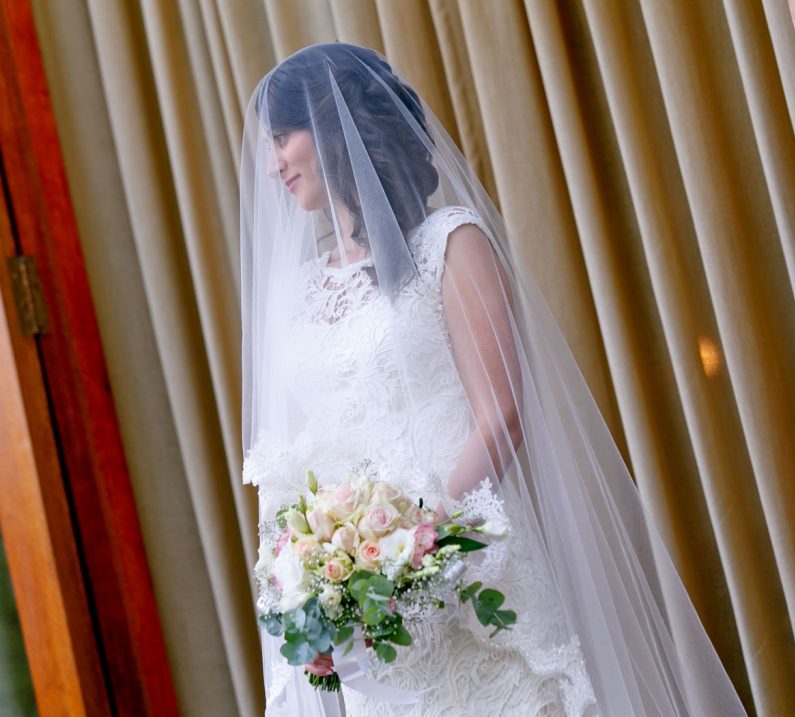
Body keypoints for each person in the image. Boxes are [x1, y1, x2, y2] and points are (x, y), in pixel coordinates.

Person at [240, 42, 744, 716]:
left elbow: (500, 413)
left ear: (331, 126)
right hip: (366, 624)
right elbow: (297, 459)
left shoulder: (450, 242)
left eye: (282, 139)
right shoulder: (303, 294)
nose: (272, 165)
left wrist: (405, 557)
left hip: (469, 572)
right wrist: (320, 580)